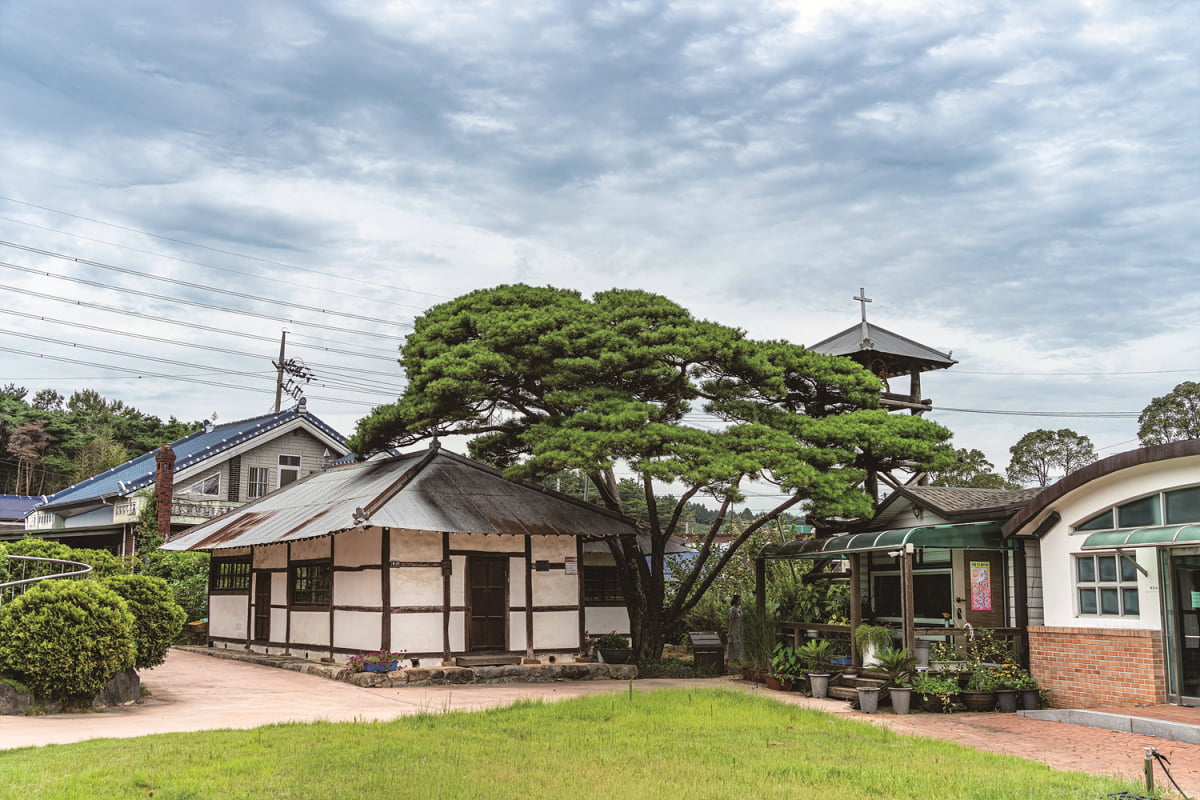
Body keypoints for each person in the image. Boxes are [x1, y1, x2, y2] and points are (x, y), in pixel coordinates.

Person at [726, 594, 744, 662]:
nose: (740, 601)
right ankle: (733, 658)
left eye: (741, 600)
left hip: (740, 628)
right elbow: (731, 621)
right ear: (735, 600)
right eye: (739, 600)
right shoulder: (732, 609)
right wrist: (729, 632)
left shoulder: (740, 608)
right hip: (734, 629)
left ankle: (737, 657)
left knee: (740, 643)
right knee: (733, 643)